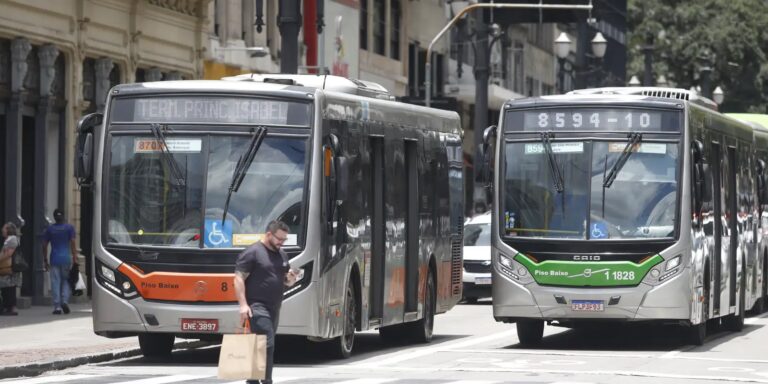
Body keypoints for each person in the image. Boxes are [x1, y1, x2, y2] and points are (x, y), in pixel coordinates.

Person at [233, 221, 298, 384]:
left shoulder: (282, 254)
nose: (282, 242)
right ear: (269, 234)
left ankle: (252, 380)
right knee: (267, 343)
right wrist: (243, 305)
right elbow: (238, 278)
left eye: (284, 239)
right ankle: (266, 380)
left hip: (274, 307)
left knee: (259, 344)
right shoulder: (253, 252)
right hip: (256, 306)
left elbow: (285, 281)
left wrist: (291, 279)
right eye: (279, 239)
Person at [42, 209, 77, 315]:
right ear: (63, 217)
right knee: (66, 281)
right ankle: (65, 301)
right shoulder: (69, 228)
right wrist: (75, 257)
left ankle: (57, 306)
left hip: (54, 259)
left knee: (55, 282)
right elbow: (73, 243)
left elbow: (44, 245)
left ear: (54, 217)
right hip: (66, 259)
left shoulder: (50, 229)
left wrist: (45, 259)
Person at [0, 222, 20, 315]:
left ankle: (11, 308)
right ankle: (8, 307)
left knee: (9, 287)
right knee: (6, 287)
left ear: (9, 230)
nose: (2, 230)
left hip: (9, 267)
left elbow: (8, 253)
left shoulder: (12, 239)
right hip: (7, 267)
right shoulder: (9, 239)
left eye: (4, 228)